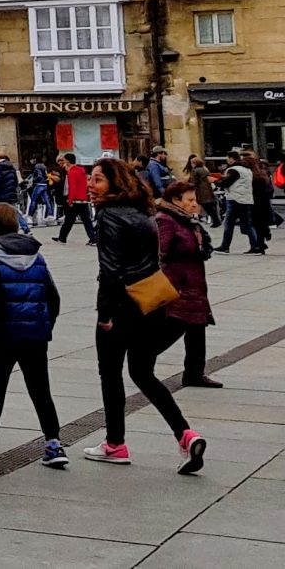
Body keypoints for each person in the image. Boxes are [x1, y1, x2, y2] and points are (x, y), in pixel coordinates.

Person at [85, 156, 206, 471]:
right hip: (150, 302)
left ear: (114, 183)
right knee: (142, 371)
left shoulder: (109, 216)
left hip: (121, 305)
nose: (90, 184)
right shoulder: (144, 213)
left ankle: (115, 444)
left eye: (97, 178)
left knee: (110, 374)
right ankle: (185, 433)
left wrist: (105, 313)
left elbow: (110, 270)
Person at [0, 203, 67, 468]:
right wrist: (45, 324)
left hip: (4, 334)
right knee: (41, 389)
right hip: (35, 336)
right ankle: (53, 442)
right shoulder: (36, 255)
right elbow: (53, 298)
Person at [155, 178, 221, 389]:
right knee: (176, 326)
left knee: (197, 327)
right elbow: (159, 253)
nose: (195, 204)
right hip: (178, 284)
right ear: (176, 200)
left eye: (196, 200)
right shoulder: (166, 220)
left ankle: (194, 373)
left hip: (193, 283)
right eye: (190, 200)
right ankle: (141, 358)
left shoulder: (185, 219)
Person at [219, 153, 269, 254]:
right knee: (248, 224)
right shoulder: (248, 171)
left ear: (231, 159)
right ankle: (256, 246)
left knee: (229, 223)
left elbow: (226, 183)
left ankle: (225, 246)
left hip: (235, 199)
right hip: (247, 200)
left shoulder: (234, 170)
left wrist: (217, 181)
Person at [56, 158, 94, 245]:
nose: (64, 165)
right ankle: (93, 238)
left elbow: (72, 187)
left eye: (65, 162)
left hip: (75, 200)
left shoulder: (72, 172)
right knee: (86, 220)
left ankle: (62, 238)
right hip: (83, 199)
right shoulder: (82, 171)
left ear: (68, 162)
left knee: (69, 220)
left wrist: (70, 200)